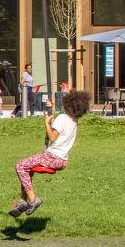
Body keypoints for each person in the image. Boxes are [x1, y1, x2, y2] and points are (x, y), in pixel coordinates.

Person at [11, 90, 89, 218]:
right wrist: (50, 109)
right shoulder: (74, 121)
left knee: (20, 166)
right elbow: (59, 128)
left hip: (52, 157)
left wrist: (46, 123)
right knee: (28, 168)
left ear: (68, 104)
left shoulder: (63, 118)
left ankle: (32, 199)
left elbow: (52, 137)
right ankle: (22, 201)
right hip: (62, 160)